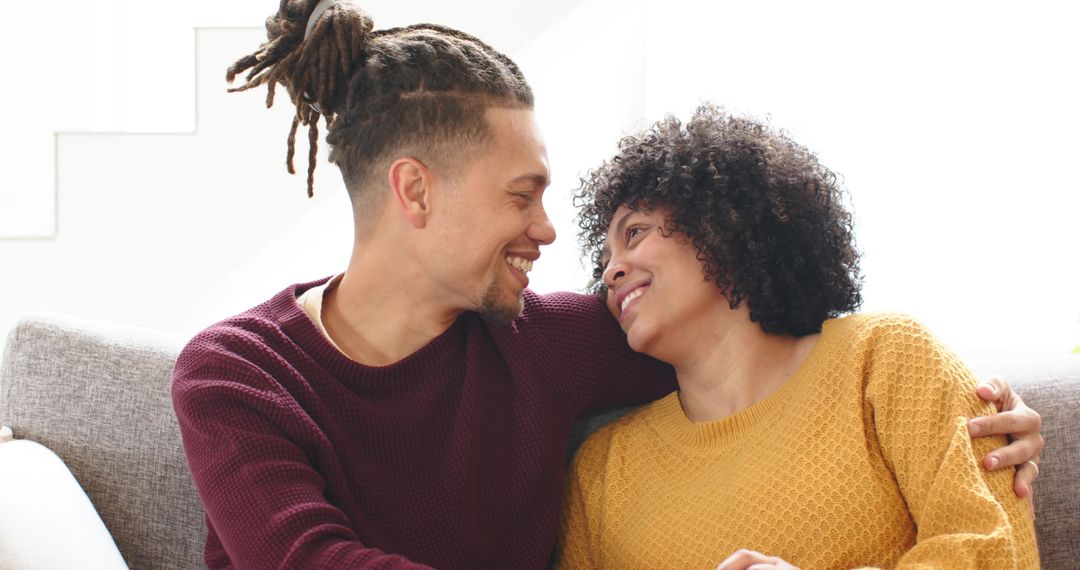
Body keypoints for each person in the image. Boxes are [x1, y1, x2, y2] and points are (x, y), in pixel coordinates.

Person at [171, 1, 1044, 567]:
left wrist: (975, 410)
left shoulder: (549, 342)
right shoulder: (236, 374)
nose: (552, 234)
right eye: (523, 195)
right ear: (414, 191)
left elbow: (749, 333)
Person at [557, 105, 1040, 569]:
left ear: (721, 227)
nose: (612, 272)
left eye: (635, 233)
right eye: (602, 266)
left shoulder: (886, 357)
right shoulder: (603, 468)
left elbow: (996, 552)